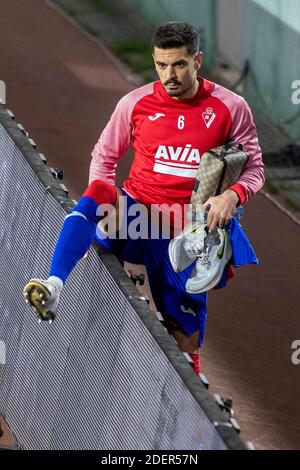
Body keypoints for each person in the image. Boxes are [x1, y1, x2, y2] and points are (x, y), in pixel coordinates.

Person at [23, 22, 264, 376]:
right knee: (99, 193)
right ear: (154, 62)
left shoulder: (231, 107)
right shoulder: (134, 103)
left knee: (185, 340)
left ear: (197, 60)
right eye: (162, 65)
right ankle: (55, 283)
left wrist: (233, 194)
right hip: (135, 216)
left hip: (187, 234)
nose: (170, 75)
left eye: (180, 64)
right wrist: (96, 217)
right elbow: (104, 157)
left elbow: (255, 167)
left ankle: (191, 421)